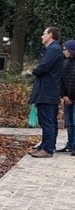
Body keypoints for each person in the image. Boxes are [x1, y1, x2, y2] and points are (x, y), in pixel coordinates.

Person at [29, 26, 64, 157]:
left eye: (44, 34)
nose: (42, 36)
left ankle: (48, 149)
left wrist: (35, 70)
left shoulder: (53, 50)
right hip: (48, 90)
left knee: (47, 120)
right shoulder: (52, 49)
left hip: (47, 91)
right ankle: (45, 145)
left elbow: (43, 67)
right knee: (47, 120)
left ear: (51, 35)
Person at [61, 40, 75, 155]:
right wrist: (64, 95)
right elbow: (61, 81)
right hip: (67, 98)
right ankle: (70, 144)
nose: (64, 51)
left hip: (73, 98)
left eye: (66, 49)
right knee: (69, 122)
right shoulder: (65, 63)